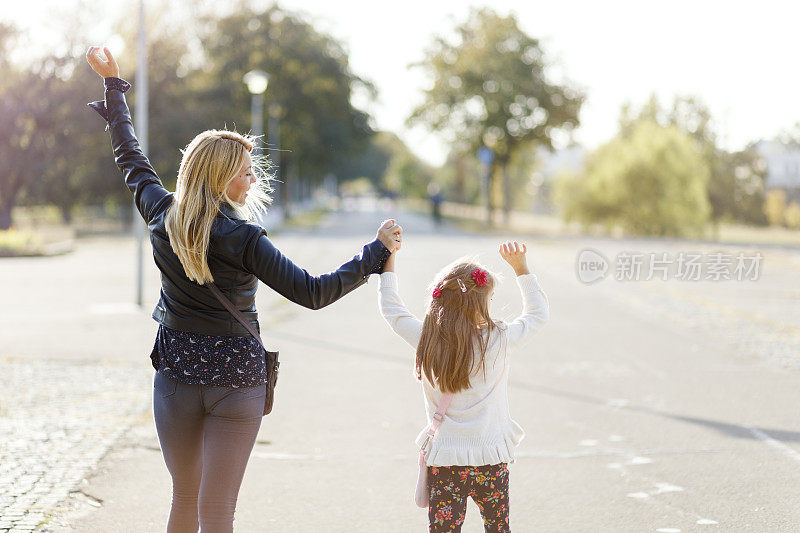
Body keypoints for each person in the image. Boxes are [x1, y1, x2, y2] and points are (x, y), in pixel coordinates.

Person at [86, 46, 402, 532]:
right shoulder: (244, 239)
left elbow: (130, 156)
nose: (253, 178)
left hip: (175, 376)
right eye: (245, 172)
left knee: (184, 499)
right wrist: (374, 254)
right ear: (220, 177)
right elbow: (313, 293)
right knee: (217, 509)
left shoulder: (160, 214)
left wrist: (113, 86)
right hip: (236, 382)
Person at [378, 241, 549, 532]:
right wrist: (522, 269)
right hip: (492, 458)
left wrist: (387, 260)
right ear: (481, 303)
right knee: (498, 528)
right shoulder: (498, 340)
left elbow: (392, 310)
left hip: (445, 460)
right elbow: (537, 315)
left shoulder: (426, 339)